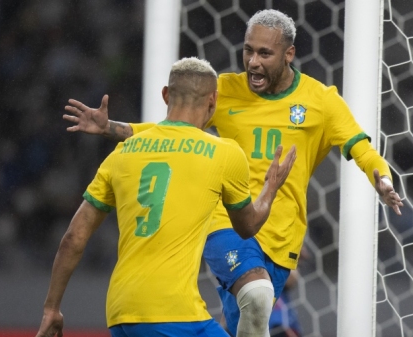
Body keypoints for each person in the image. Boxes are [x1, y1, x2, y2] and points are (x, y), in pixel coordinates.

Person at [63, 9, 403, 337]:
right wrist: (112, 129)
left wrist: (382, 179)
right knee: (256, 294)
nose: (253, 62)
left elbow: (361, 147)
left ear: (289, 54)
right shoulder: (224, 91)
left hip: (281, 239)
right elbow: (169, 131)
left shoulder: (322, 101)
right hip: (227, 225)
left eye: (265, 53)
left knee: (248, 319)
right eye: (248, 51)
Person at [35, 57, 297, 337]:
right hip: (176, 314)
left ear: (165, 95)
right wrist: (271, 187)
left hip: (121, 314)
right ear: (213, 100)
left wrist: (52, 308)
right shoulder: (224, 153)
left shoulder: (121, 154)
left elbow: (73, 238)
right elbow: (247, 227)